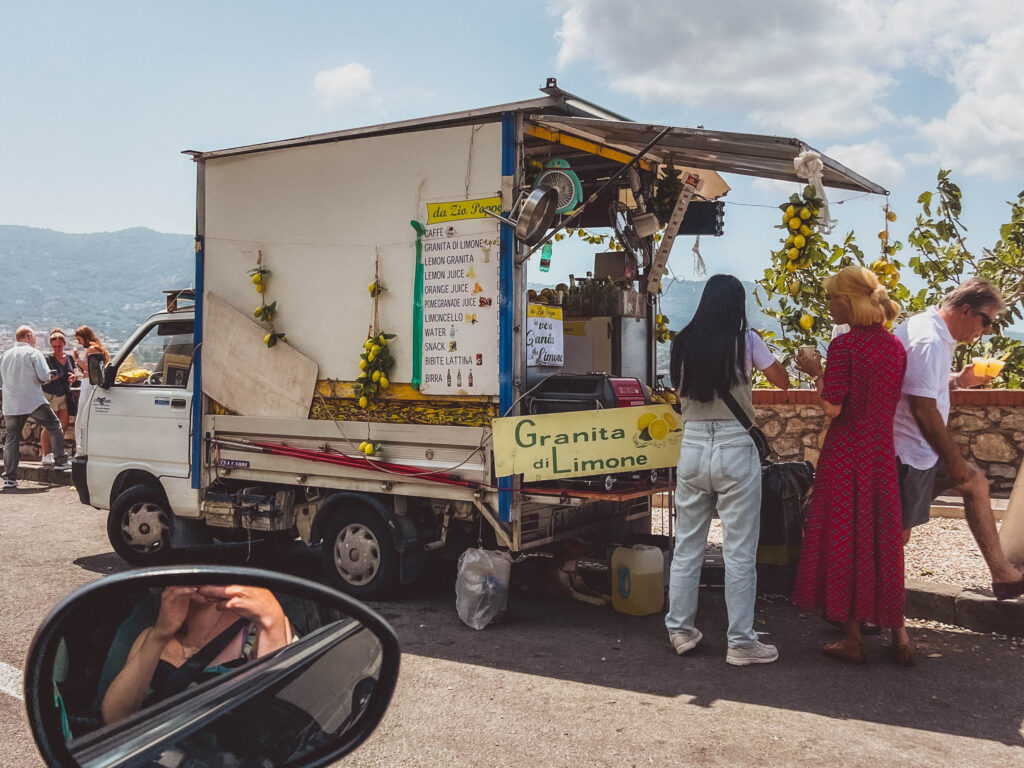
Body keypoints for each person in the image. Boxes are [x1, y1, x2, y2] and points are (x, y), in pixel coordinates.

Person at [666, 274, 790, 666]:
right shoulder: (747, 340)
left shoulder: (681, 342)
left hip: (693, 446)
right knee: (739, 551)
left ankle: (680, 630)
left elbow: (679, 389)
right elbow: (782, 381)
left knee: (687, 546)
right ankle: (740, 642)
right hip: (735, 448)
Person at [791, 266, 911, 664]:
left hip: (846, 454)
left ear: (846, 302)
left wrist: (815, 372)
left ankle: (853, 639)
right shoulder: (894, 347)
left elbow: (832, 407)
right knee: (882, 540)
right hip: (881, 452)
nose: (828, 305)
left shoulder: (844, 347)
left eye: (831, 298)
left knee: (844, 540)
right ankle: (900, 637)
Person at [892, 278, 1024, 599]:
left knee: (974, 484)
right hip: (907, 451)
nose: (989, 330)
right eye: (987, 321)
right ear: (965, 310)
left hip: (917, 449)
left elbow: (921, 384)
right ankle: (869, 608)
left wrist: (958, 380)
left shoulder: (933, 332)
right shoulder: (930, 341)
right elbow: (923, 409)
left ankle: (1003, 575)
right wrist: (953, 461)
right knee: (895, 535)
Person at [101, 584, 292, 725]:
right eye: (190, 567)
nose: (201, 577)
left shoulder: (257, 628)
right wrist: (160, 634)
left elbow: (273, 718)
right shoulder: (154, 635)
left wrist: (269, 619)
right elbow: (115, 719)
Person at [1, 326, 71, 489]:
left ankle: (10, 478)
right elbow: (44, 376)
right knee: (54, 425)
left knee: (11, 438)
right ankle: (60, 461)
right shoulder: (34, 353)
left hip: (11, 402)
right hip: (33, 400)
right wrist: (48, 377)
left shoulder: (5, 355)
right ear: (29, 335)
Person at [40, 329, 76, 466]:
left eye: (59, 346)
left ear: (64, 344)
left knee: (64, 423)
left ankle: (57, 452)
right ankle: (46, 454)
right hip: (51, 394)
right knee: (50, 425)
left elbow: (72, 374)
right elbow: (44, 377)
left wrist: (73, 377)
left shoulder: (70, 358)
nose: (57, 349)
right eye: (54, 346)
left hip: (64, 394)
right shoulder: (48, 359)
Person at [71, 325, 110, 453]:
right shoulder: (95, 348)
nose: (79, 343)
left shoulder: (92, 349)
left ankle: (81, 448)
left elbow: (90, 368)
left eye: (79, 339)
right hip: (88, 382)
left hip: (89, 383)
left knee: (82, 415)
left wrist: (76, 359)